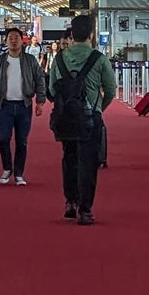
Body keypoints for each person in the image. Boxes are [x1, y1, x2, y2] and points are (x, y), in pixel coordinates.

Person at [47, 14, 116, 224]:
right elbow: (111, 90)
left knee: (69, 159)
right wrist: (98, 109)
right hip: (90, 117)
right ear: (91, 34)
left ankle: (70, 202)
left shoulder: (59, 59)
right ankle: (85, 210)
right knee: (88, 163)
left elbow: (52, 89)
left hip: (66, 117)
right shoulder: (99, 59)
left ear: (71, 35)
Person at [0, 25, 47, 184]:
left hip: (25, 106)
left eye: (17, 38)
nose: (14, 41)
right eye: (11, 38)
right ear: (6, 42)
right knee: (3, 138)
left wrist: (40, 101)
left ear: (22, 41)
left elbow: (40, 80)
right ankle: (7, 168)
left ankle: (18, 173)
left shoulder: (30, 61)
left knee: (22, 141)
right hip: (5, 106)